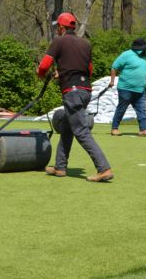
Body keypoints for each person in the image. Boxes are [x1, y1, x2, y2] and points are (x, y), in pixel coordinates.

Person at [36, 12, 113, 182]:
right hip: (85, 90)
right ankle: (60, 167)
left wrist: (40, 73)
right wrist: (63, 73)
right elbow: (89, 69)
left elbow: (45, 65)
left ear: (62, 27)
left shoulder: (59, 41)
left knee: (81, 131)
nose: (56, 30)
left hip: (72, 92)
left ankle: (104, 168)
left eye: (57, 27)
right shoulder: (85, 44)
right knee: (67, 128)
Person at [108, 38, 146, 137]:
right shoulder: (126, 54)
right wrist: (112, 81)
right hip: (126, 89)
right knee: (121, 109)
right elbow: (114, 67)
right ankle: (114, 129)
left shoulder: (143, 59)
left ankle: (143, 130)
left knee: (142, 110)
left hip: (140, 90)